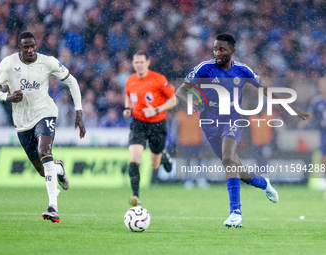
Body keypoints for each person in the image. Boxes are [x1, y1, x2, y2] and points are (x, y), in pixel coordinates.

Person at [176, 33, 308, 228]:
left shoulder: (243, 70)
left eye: (222, 49)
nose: (217, 53)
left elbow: (266, 89)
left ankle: (235, 213)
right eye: (215, 49)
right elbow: (181, 90)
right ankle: (264, 184)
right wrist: (190, 101)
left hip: (233, 120)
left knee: (229, 158)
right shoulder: (205, 68)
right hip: (210, 125)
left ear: (232, 51)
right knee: (234, 166)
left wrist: (292, 108)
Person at [0, 32, 86, 223]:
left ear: (36, 45)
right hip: (22, 121)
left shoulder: (47, 62)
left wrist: (79, 111)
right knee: (43, 170)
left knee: (44, 150)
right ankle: (59, 169)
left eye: (33, 46)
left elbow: (72, 81)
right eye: (26, 47)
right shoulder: (8, 63)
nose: (30, 50)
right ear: (19, 48)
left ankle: (53, 207)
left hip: (45, 112)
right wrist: (7, 97)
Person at [123, 51, 177, 206]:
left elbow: (173, 100)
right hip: (138, 123)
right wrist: (128, 108)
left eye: (141, 62)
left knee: (155, 164)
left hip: (157, 124)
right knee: (134, 159)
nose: (138, 65)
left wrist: (156, 110)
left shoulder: (158, 79)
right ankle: (135, 196)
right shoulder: (130, 80)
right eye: (136, 62)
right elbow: (128, 95)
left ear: (148, 62)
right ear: (133, 64)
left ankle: (163, 154)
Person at [298, 77, 326, 190]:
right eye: (320, 85)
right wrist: (302, 123)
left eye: (323, 84)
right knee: (324, 157)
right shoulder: (317, 100)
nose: (321, 87)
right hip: (324, 133)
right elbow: (310, 114)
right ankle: (324, 179)